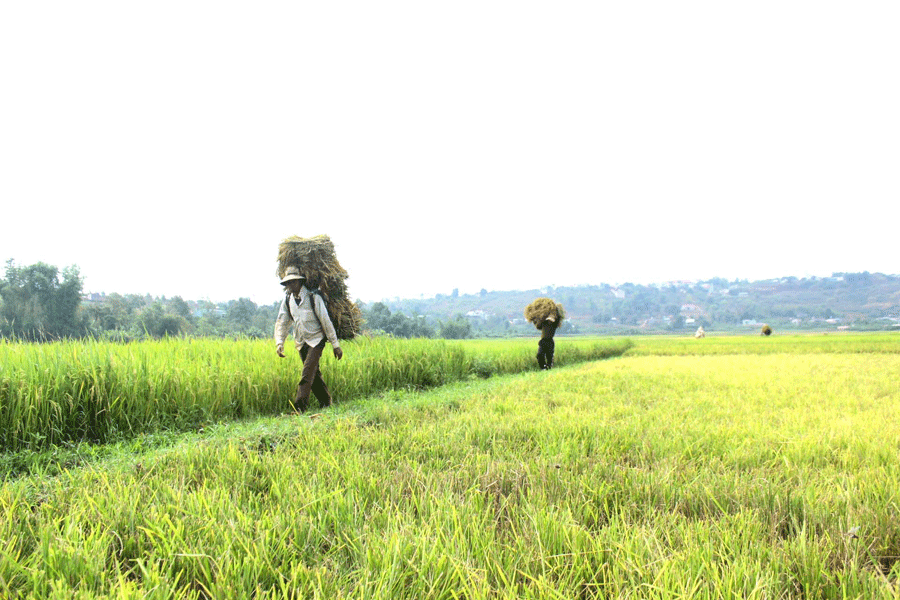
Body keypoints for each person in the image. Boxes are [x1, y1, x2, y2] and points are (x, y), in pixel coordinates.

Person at [274, 266, 343, 412]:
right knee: (314, 374)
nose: (290, 286)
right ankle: (326, 402)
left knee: (306, 374)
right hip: (301, 342)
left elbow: (326, 321)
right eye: (287, 283)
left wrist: (335, 345)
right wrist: (280, 342)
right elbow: (282, 321)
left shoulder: (313, 298)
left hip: (316, 340)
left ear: (300, 282)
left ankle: (299, 408)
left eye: (293, 282)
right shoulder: (288, 301)